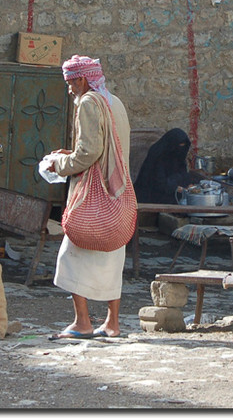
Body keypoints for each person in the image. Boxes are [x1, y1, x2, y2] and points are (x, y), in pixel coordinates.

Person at [46, 55, 131, 339]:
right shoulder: (114, 102)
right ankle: (112, 323)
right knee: (112, 257)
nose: (69, 89)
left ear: (82, 80)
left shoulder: (88, 103)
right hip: (117, 193)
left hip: (92, 197)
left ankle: (82, 322)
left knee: (72, 255)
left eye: (70, 82)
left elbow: (89, 153)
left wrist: (59, 164)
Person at [133, 128, 197, 204]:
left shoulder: (179, 155)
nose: (181, 149)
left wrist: (187, 185)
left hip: (171, 187)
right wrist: (176, 188)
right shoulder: (158, 155)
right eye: (179, 146)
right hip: (151, 193)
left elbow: (182, 173)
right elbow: (158, 183)